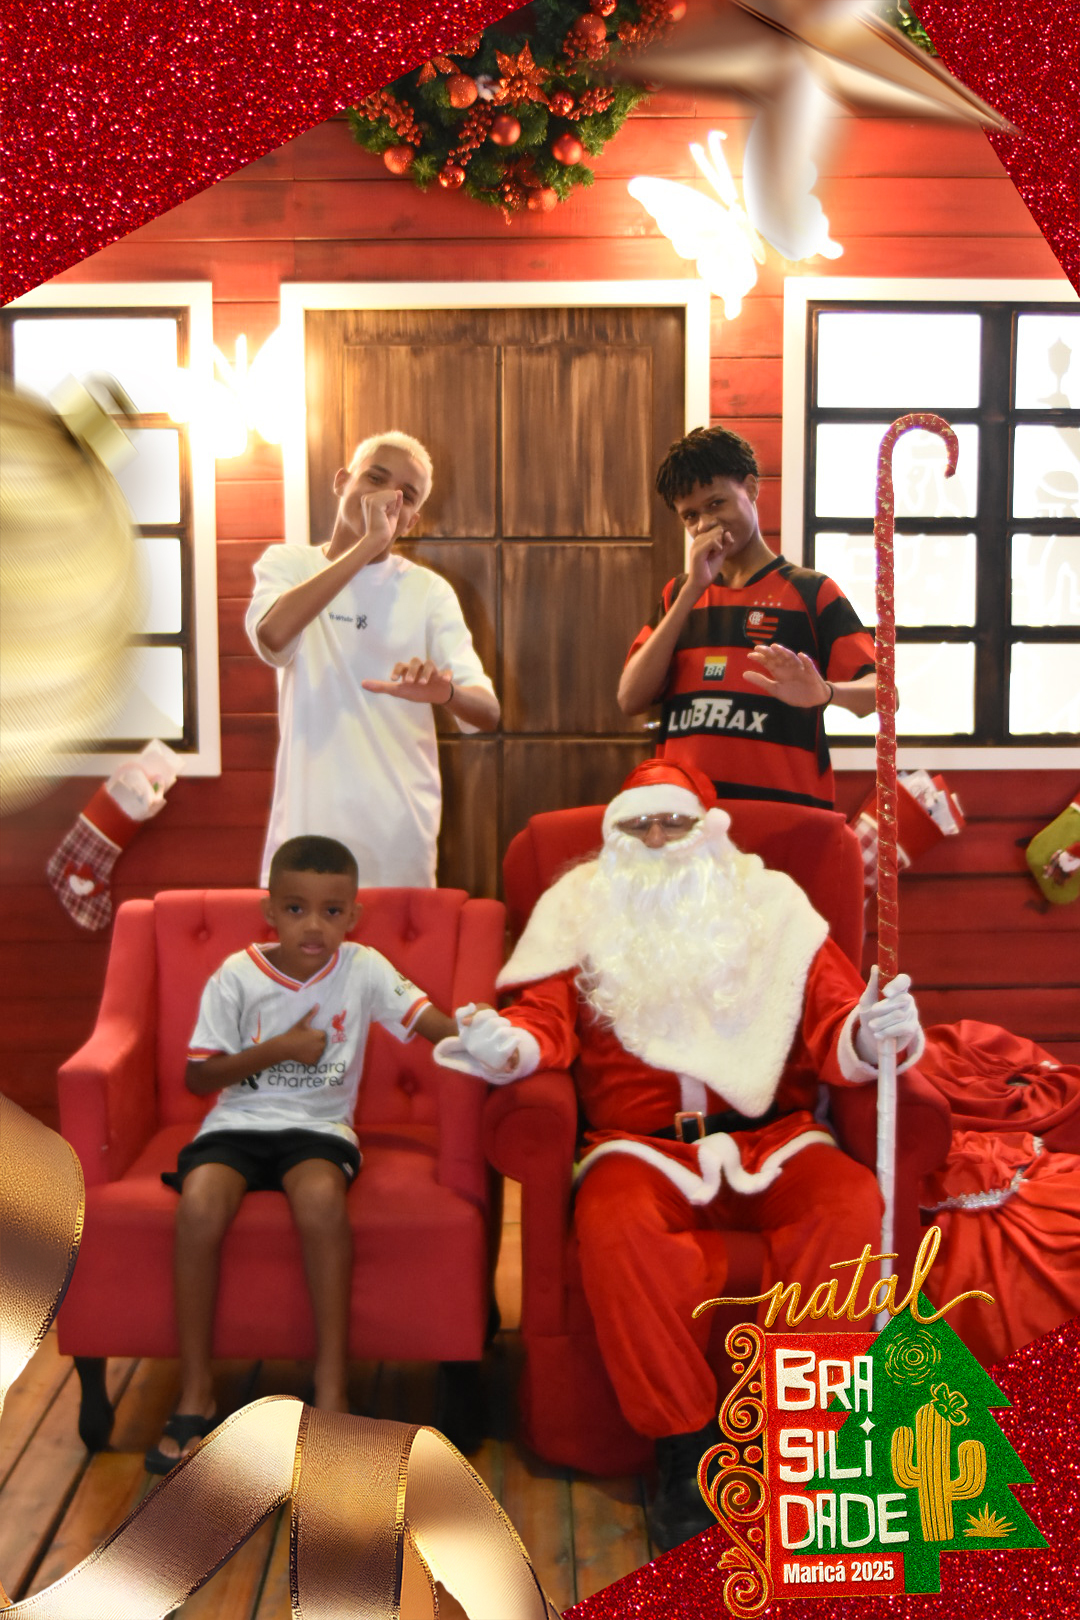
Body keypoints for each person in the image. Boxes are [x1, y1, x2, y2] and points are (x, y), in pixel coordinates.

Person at [436, 760, 922, 1550]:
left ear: (709, 831)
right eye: (639, 825)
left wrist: (873, 1032)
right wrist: (509, 1044)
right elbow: (543, 1016)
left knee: (847, 1207)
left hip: (775, 1138)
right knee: (617, 1227)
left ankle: (805, 1441)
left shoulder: (774, 905)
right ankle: (688, 1452)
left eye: (674, 822)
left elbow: (836, 1011)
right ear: (614, 837)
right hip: (640, 1148)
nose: (658, 838)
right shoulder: (578, 908)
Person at [146, 834, 458, 1474]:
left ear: (353, 915)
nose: (313, 926)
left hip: (319, 1128)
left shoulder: (364, 968)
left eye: (331, 911)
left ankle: (331, 1394)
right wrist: (280, 1048)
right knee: (198, 1206)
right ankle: (195, 1392)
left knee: (320, 1201)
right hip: (237, 1123)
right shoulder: (235, 976)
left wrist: (495, 1042)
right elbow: (199, 1078)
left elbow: (434, 1026)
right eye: (295, 909)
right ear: (270, 910)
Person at [247, 431, 499, 887]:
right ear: (342, 481)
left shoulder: (429, 591)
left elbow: (487, 712)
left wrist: (445, 692)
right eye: (375, 479)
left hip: (398, 839)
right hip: (307, 835)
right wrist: (368, 544)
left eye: (405, 497)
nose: (387, 499)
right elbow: (273, 635)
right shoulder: (288, 565)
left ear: (412, 520)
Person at [618, 425, 876, 810]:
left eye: (716, 503)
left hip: (786, 818)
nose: (705, 524)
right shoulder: (677, 595)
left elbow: (883, 695)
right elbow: (630, 698)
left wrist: (826, 693)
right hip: (690, 821)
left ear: (751, 488)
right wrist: (693, 590)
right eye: (690, 516)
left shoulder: (812, 592)